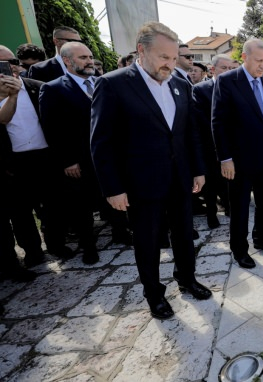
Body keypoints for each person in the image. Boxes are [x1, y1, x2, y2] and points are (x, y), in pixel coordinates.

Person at [90, 21, 210, 320]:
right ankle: (154, 294)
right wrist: (112, 188)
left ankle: (187, 279)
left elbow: (189, 133)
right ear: (141, 51)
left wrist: (198, 169)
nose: (170, 64)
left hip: (180, 178)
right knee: (148, 241)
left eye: (173, 58)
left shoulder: (181, 85)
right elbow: (101, 142)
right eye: (163, 57)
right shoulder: (113, 84)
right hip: (141, 183)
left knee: (184, 234)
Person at [211, 38, 263, 268]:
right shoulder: (227, 81)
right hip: (239, 162)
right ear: (244, 57)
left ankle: (260, 238)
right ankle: (239, 250)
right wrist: (225, 158)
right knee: (241, 209)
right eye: (258, 61)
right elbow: (218, 122)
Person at [0, 45, 73, 266]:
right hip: (13, 163)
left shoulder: (39, 88)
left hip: (45, 157)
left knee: (53, 205)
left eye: (12, 61)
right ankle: (33, 251)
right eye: (3, 64)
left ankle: (56, 244)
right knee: (20, 212)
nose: (10, 67)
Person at [39, 41, 103, 264]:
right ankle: (89, 247)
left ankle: (122, 234)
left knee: (111, 196)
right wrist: (68, 160)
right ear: (67, 60)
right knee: (82, 206)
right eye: (83, 58)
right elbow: (51, 128)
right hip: (79, 159)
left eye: (90, 57)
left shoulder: (103, 83)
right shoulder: (53, 88)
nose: (89, 61)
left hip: (106, 156)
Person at [192, 54, 233, 229]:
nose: (227, 72)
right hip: (209, 145)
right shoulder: (201, 90)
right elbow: (200, 120)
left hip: (231, 145)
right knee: (210, 185)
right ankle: (211, 214)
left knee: (229, 181)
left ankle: (230, 208)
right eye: (224, 68)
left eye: (230, 68)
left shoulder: (234, 87)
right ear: (213, 69)